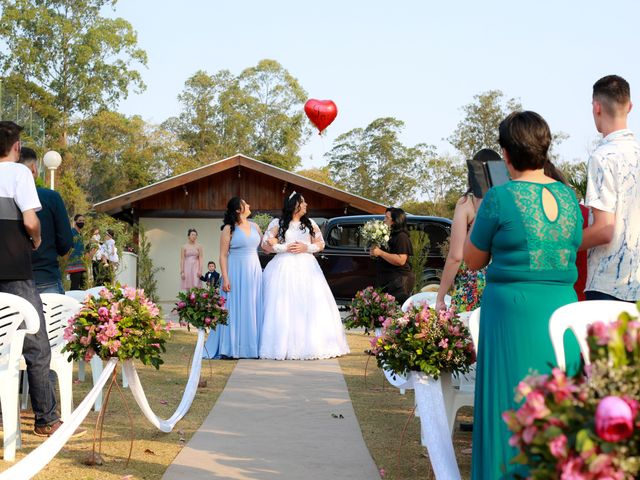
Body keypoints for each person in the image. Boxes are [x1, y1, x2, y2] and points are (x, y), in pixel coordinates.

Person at [463, 111, 581, 478]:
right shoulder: (568, 197)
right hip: (563, 312)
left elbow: (471, 259)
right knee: (556, 411)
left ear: (506, 154)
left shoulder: (499, 198)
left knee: (510, 408)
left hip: (512, 314)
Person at [0, 121, 84, 437]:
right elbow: (31, 220)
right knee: (36, 344)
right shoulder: (20, 173)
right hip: (16, 271)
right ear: (17, 146)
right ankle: (46, 419)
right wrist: (35, 240)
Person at [259, 192, 349, 360]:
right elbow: (266, 244)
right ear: (295, 205)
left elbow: (320, 244)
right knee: (280, 304)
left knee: (310, 302)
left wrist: (306, 247)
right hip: (283, 267)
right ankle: (279, 345)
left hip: (307, 267)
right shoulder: (277, 223)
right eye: (303, 202)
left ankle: (313, 344)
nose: (306, 204)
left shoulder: (310, 223)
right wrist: (283, 247)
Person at [581, 74, 640, 302]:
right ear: (630, 107)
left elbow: (605, 229)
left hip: (609, 285)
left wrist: (562, 245)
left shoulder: (603, 157)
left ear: (597, 107)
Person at [435, 149, 502, 313]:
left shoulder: (467, 202)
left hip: (470, 284)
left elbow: (456, 256)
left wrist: (440, 296)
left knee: (467, 336)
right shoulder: (507, 200)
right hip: (501, 281)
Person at [203, 198, 263, 359]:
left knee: (252, 307)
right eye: (245, 203)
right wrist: (226, 278)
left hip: (254, 272)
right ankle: (231, 348)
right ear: (238, 210)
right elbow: (222, 255)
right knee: (234, 308)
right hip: (235, 272)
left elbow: (265, 247)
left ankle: (251, 348)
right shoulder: (229, 229)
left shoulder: (255, 226)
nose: (249, 205)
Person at [19, 147, 73, 294]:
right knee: (54, 317)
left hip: (11, 281)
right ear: (33, 169)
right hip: (46, 278)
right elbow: (66, 242)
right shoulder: (51, 198)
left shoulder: (5, 198)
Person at [370, 207, 414, 305]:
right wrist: (374, 251)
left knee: (396, 313)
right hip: (386, 280)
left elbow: (401, 260)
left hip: (399, 282)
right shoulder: (387, 235)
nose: (384, 220)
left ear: (395, 221)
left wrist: (381, 253)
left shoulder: (402, 237)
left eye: (386, 217)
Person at [66, 214, 87, 290]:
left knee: (82, 286)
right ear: (75, 222)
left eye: (83, 221)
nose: (82, 222)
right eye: (80, 220)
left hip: (82, 264)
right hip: (73, 264)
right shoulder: (71, 233)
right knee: (74, 286)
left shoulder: (80, 234)